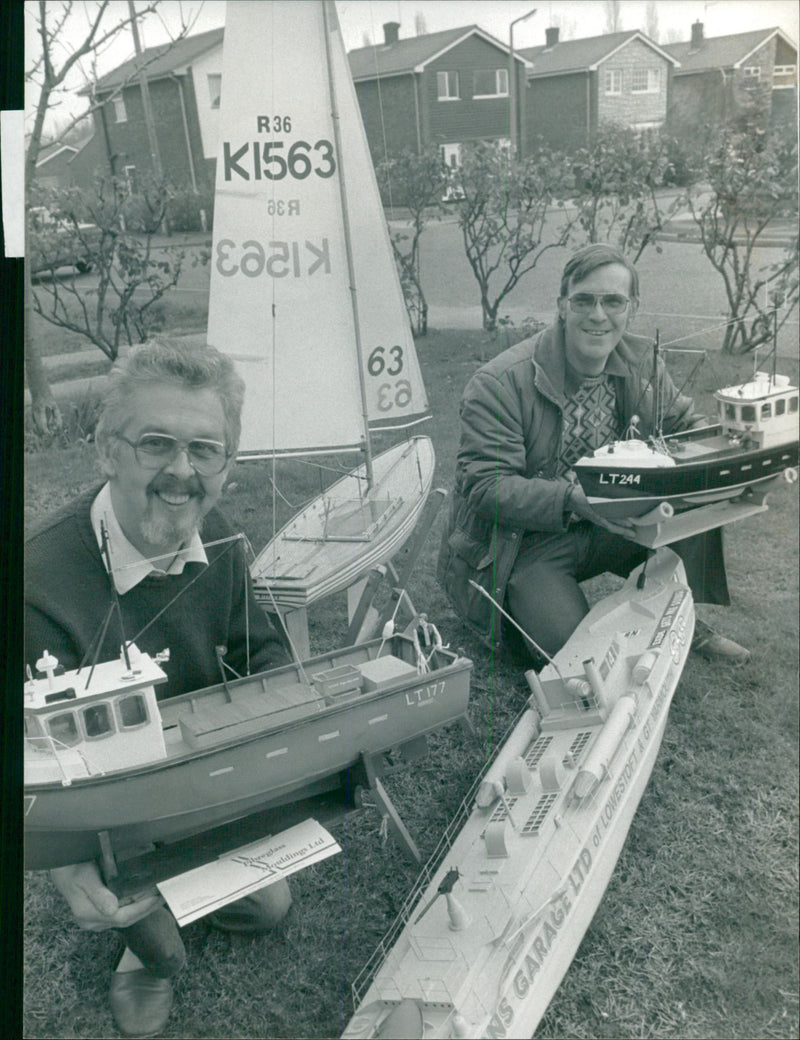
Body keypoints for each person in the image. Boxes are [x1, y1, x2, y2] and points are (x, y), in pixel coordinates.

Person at [25, 337, 293, 1038]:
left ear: (227, 467)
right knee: (159, 946)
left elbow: (265, 649)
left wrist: (275, 735)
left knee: (270, 906)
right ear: (105, 450)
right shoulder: (35, 581)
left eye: (205, 450)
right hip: (113, 811)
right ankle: (147, 926)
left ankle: (183, 882)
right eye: (155, 444)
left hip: (206, 775)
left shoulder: (222, 539)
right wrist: (62, 863)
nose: (182, 472)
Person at [438, 243, 751, 667]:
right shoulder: (499, 383)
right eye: (583, 299)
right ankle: (540, 618)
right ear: (563, 306)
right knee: (582, 665)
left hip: (608, 519)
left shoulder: (640, 361)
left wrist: (723, 459)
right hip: (525, 544)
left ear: (632, 308)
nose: (598, 315)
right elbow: (486, 489)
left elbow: (682, 422)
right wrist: (573, 500)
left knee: (698, 499)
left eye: (613, 301)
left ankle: (684, 617)